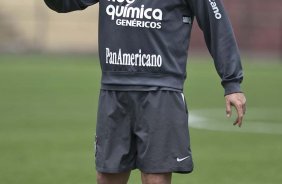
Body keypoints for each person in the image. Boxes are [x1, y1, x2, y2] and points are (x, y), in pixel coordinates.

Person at [44, 0, 247, 184]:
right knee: (107, 177)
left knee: (155, 178)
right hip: (114, 89)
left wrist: (232, 83)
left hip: (161, 91)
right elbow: (64, 3)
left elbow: (217, 23)